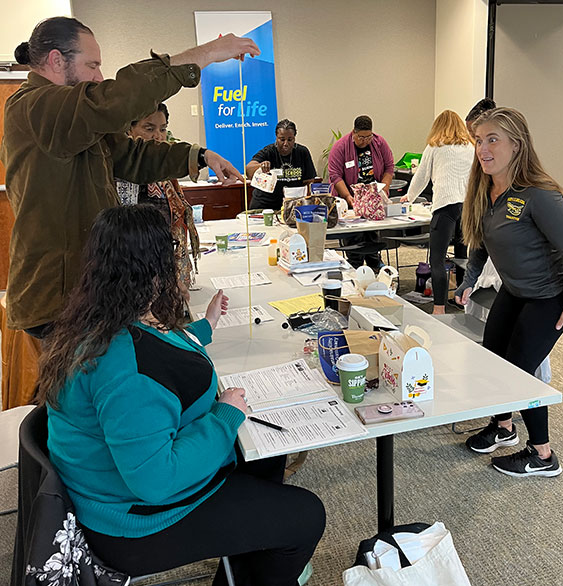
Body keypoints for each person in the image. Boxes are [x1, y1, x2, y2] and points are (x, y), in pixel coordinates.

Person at [38, 205, 325, 585]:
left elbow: (166, 347)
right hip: (137, 522)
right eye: (174, 258)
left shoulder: (104, 319)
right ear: (154, 273)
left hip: (120, 492)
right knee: (306, 517)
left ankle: (250, 562)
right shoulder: (125, 369)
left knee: (268, 455)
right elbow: (157, 479)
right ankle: (258, 563)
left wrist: (206, 326)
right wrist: (223, 419)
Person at [0, 17, 259, 339]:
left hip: (88, 291)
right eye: (92, 66)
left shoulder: (71, 120)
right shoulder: (35, 106)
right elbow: (115, 98)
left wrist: (200, 156)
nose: (99, 77)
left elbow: (132, 156)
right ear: (56, 60)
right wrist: (206, 53)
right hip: (61, 299)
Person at [455, 107, 563, 477]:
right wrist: (469, 279)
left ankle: (543, 455)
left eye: (492, 139)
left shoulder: (539, 195)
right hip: (514, 290)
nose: (483, 148)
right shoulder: (486, 188)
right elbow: (480, 243)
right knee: (493, 358)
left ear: (516, 144)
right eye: (479, 140)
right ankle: (504, 427)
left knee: (520, 371)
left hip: (549, 297)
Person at [116, 103, 200, 290]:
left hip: (166, 273)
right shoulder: (123, 178)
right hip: (136, 279)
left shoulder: (165, 174)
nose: (158, 136)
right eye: (149, 128)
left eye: (163, 129)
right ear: (129, 130)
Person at [400, 110, 474, 314]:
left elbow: (421, 176)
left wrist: (409, 197)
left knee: (438, 259)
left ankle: (439, 308)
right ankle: (461, 300)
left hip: (445, 207)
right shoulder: (471, 147)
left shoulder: (435, 146)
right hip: (467, 207)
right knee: (462, 256)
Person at [328, 115, 394, 270]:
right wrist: (348, 197)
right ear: (353, 133)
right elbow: (335, 176)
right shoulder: (340, 147)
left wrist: (383, 188)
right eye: (361, 137)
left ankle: (374, 263)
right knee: (355, 236)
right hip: (351, 198)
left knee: (372, 234)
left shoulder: (379, 143)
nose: (365, 141)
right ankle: (355, 266)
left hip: (373, 199)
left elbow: (389, 167)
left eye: (368, 136)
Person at [246, 119, 317, 210]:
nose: (286, 143)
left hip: (292, 205)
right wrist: (260, 166)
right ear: (276, 138)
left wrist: (306, 204)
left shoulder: (302, 152)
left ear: (294, 138)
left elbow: (309, 181)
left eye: (290, 140)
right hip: (265, 205)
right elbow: (248, 170)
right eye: (282, 139)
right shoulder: (268, 152)